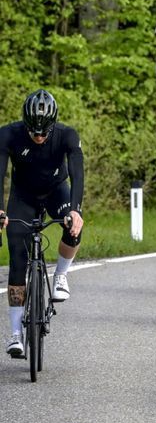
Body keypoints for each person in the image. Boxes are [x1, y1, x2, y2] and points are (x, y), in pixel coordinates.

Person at [0, 90, 85, 357]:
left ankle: (60, 274)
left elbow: (77, 172)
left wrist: (75, 210)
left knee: (72, 227)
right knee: (17, 257)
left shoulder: (66, 135)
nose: (38, 137)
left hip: (56, 191)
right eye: (33, 132)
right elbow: (0, 173)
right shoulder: (8, 134)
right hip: (22, 197)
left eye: (43, 133)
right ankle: (15, 333)